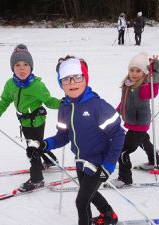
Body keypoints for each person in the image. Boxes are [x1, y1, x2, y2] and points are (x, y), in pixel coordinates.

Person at [29, 56, 125, 225]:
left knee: (81, 202)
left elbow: (118, 134)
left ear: (85, 79)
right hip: (81, 161)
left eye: (77, 77)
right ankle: (109, 215)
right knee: (89, 194)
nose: (72, 82)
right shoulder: (64, 107)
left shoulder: (98, 106)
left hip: (98, 162)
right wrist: (45, 145)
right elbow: (63, 136)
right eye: (66, 79)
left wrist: (108, 166)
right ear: (61, 83)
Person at [0, 44, 62, 191]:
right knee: (36, 144)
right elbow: (4, 101)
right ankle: (50, 160)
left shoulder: (37, 86)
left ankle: (37, 179)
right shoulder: (10, 85)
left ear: (31, 67)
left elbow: (49, 101)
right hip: (24, 121)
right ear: (12, 68)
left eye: (26, 64)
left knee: (32, 149)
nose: (22, 68)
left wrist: (64, 103)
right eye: (17, 65)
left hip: (37, 121)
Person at [110, 52, 159, 187]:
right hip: (133, 123)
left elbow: (154, 92)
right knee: (144, 140)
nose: (134, 73)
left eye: (138, 70)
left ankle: (125, 178)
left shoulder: (144, 87)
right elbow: (124, 102)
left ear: (144, 72)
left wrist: (155, 73)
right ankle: (154, 160)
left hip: (139, 123)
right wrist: (116, 112)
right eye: (132, 70)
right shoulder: (128, 84)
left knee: (122, 151)